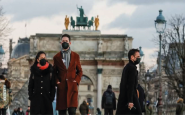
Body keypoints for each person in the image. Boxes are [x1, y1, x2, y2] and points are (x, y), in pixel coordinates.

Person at [53, 34, 83, 115]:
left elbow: (80, 71)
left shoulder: (76, 56)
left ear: (70, 43)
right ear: (60, 43)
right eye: (63, 41)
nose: (65, 42)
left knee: (72, 111)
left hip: (72, 87)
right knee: (62, 112)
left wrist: (76, 81)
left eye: (66, 41)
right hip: (61, 88)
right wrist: (57, 82)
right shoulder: (56, 57)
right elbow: (54, 72)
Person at [116, 49, 142, 115]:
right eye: (138, 57)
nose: (139, 58)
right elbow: (130, 85)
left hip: (124, 98)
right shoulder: (132, 68)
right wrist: (130, 101)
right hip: (131, 97)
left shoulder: (126, 67)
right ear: (132, 57)